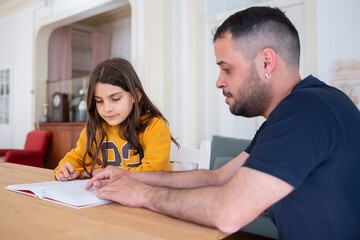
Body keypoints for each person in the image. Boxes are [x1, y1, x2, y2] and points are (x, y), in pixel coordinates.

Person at [86, 7, 360, 240]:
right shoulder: (291, 114)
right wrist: (133, 176)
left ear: (267, 62)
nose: (219, 81)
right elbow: (217, 177)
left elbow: (228, 212)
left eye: (226, 68)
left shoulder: (307, 111)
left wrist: (143, 194)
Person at [54, 58, 178, 181]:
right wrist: (64, 170)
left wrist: (103, 173)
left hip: (151, 197)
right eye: (99, 101)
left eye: (116, 98)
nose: (107, 108)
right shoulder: (95, 129)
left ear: (136, 96)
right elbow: (75, 158)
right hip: (108, 198)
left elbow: (154, 172)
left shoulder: (154, 126)